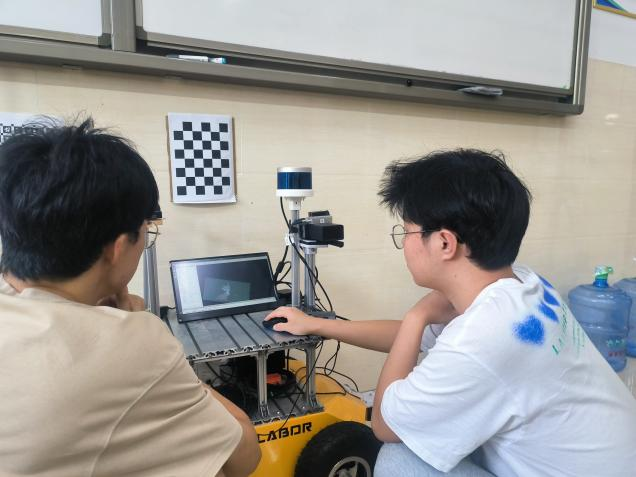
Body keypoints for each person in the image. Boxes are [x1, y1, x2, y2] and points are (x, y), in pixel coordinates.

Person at [265, 149, 636, 477]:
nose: (404, 244)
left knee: (397, 460)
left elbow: (384, 425)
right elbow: (410, 340)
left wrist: (417, 316)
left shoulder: (484, 338)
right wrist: (318, 325)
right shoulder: (522, 283)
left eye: (407, 232)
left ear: (445, 242)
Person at [0, 119, 261, 477]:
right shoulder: (135, 343)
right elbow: (244, 457)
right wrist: (142, 333)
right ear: (118, 247)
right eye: (146, 232)